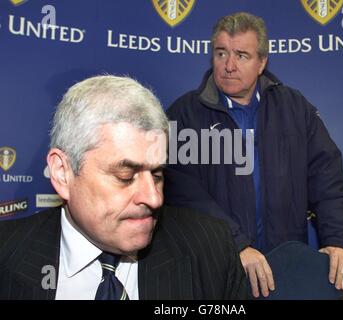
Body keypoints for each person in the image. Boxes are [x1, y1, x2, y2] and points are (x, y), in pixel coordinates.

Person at [164, 12, 343, 298]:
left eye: (241, 55)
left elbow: (327, 178)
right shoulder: (183, 114)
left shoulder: (295, 108)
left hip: (284, 272)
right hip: (215, 270)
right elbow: (182, 192)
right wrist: (236, 244)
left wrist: (341, 240)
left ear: (262, 62)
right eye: (221, 53)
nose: (229, 65)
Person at [0, 75, 247, 300]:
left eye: (157, 174)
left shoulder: (210, 249)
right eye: (126, 177)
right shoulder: (7, 254)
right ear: (62, 173)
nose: (153, 198)